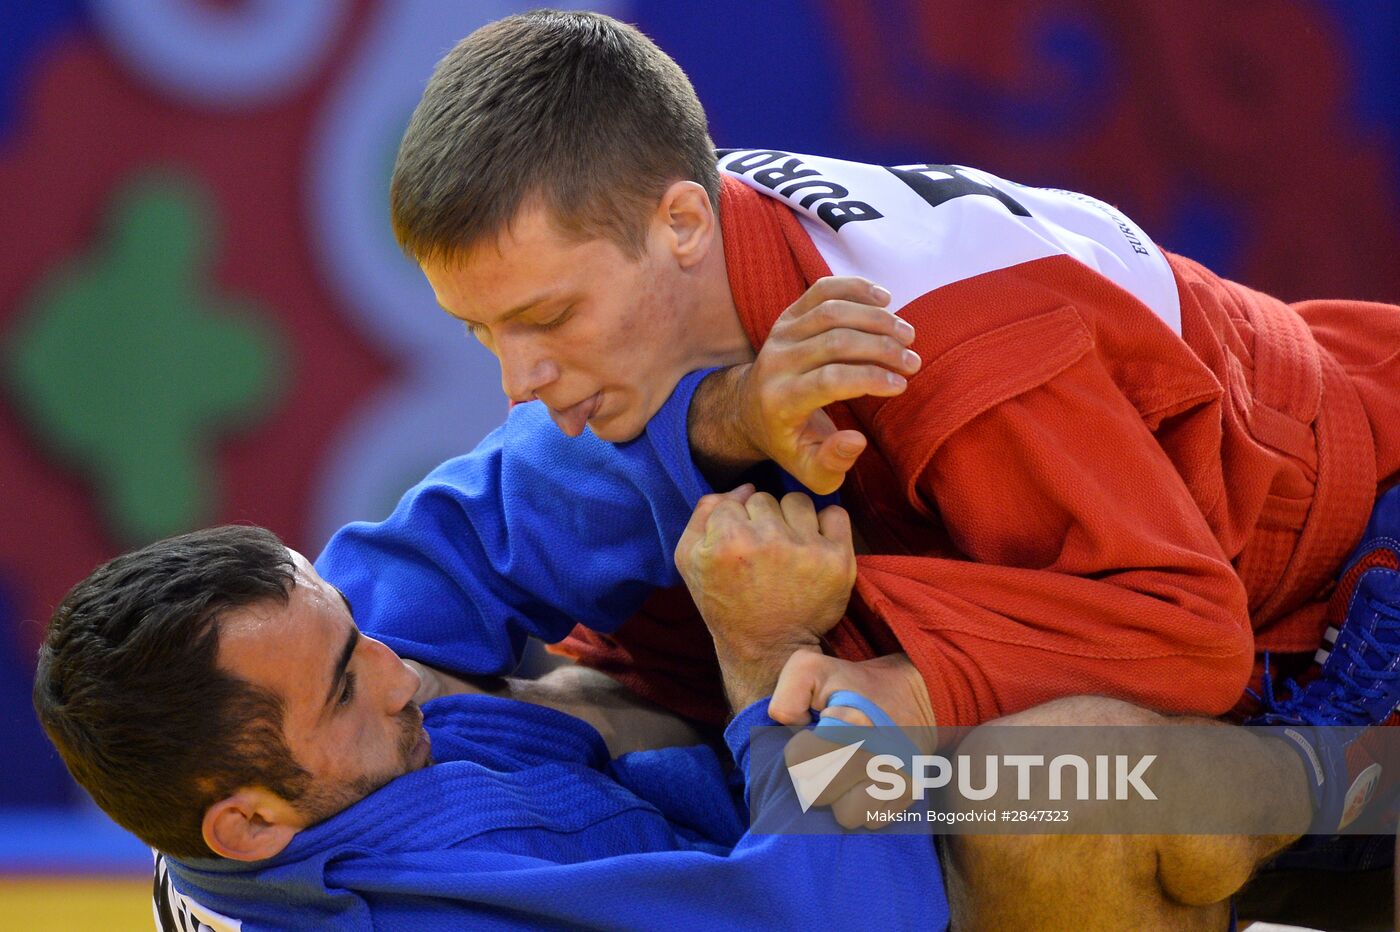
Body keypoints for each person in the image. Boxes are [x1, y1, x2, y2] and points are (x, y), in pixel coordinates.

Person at [340, 8, 1400, 926]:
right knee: (582, 723)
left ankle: (1334, 777)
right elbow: (401, 591)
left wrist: (893, 671)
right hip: (1211, 590)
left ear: (679, 224)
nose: (518, 379)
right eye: (484, 334)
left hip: (1340, 586)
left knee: (1031, 789)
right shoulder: (663, 297)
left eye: (545, 319)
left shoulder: (940, 336)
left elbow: (1183, 625)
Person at [33, 524, 950, 931]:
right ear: (250, 824)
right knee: (1078, 784)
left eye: (356, 631)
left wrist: (711, 413)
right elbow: (847, 918)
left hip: (759, 808)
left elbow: (477, 519)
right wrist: (771, 660)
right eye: (348, 684)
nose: (401, 676)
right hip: (866, 861)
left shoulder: (244, 779)